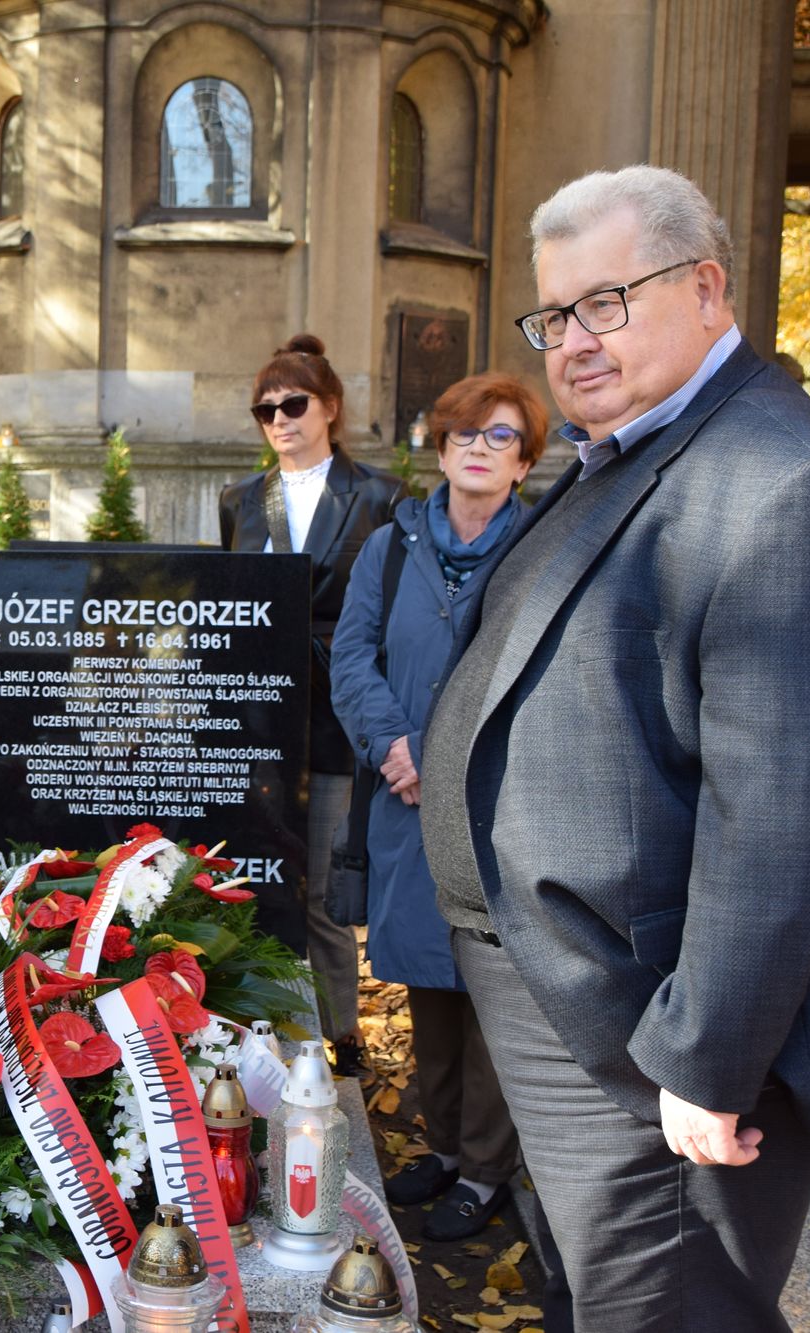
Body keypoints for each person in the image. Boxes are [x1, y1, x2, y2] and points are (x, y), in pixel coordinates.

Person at [420, 165, 810, 1331]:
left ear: (706, 288)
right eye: (552, 316)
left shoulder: (783, 479)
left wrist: (704, 1057)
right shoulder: (638, 448)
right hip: (569, 998)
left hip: (648, 1029)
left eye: (604, 301)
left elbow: (792, 814)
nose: (573, 341)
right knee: (595, 1299)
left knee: (668, 1310)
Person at [328, 373, 543, 1241]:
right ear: (439, 449)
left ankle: (487, 1167)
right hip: (405, 797)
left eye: (500, 436)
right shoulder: (391, 546)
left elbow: (541, 675)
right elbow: (352, 655)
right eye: (464, 433)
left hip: (496, 806)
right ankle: (447, 1146)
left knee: (492, 986)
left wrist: (443, 758)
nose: (479, 448)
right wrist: (392, 744)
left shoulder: (542, 552)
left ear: (524, 461)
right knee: (427, 976)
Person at [218, 333, 404, 1068]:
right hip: (256, 715)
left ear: (329, 406)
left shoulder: (381, 497)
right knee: (254, 872)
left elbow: (394, 614)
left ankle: (339, 1028)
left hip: (333, 712)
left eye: (293, 405)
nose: (279, 420)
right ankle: (254, 1025)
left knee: (322, 884)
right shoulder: (240, 499)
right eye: (264, 410)